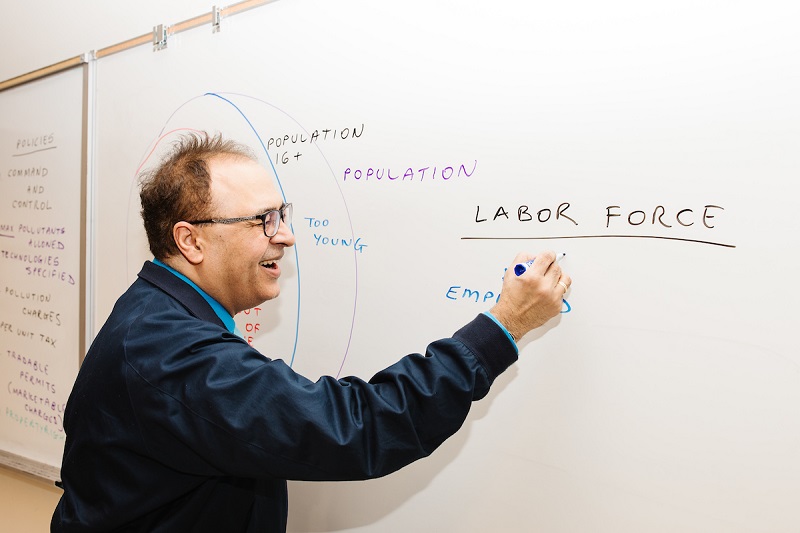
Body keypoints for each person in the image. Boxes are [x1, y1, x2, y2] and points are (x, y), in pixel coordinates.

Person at [51, 132, 572, 532]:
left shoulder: (157, 315)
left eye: (283, 214)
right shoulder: (173, 355)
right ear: (191, 240)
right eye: (263, 220)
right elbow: (356, 428)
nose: (287, 235)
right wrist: (504, 325)